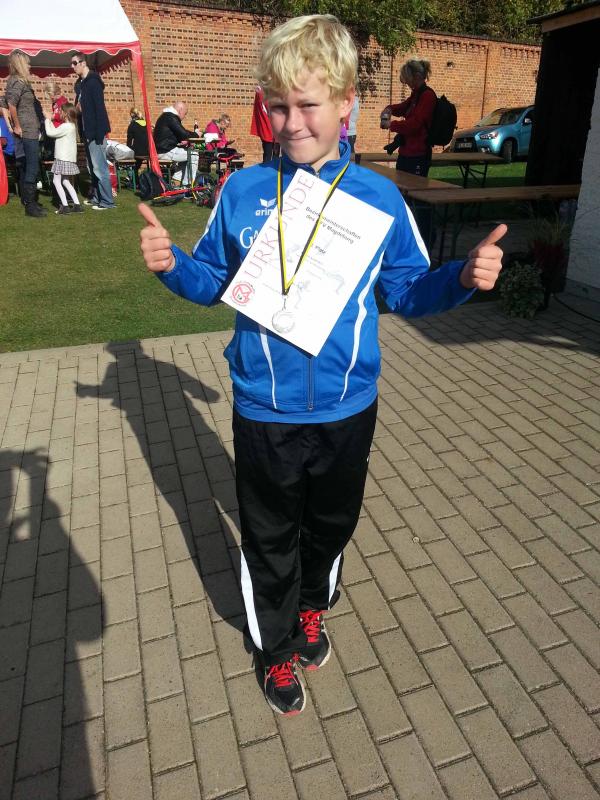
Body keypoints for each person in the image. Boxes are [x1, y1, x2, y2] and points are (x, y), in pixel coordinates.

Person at [139, 14, 506, 717]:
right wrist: (172, 266)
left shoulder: (378, 197)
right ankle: (276, 647)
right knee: (270, 537)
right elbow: (213, 281)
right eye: (278, 106)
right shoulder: (242, 191)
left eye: (308, 105)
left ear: (346, 105)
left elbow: (406, 289)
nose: (292, 122)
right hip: (265, 409)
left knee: (331, 526)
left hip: (347, 407)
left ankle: (313, 605)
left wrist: (461, 278)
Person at [5, 50, 47, 217]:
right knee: (32, 166)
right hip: (26, 130)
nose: (30, 66)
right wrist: (16, 126)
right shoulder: (17, 82)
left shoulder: (20, 81)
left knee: (30, 165)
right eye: (27, 63)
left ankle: (31, 202)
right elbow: (11, 104)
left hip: (30, 128)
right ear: (21, 64)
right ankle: (30, 205)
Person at [72, 51, 115, 210]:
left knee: (100, 167)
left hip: (95, 132)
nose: (72, 66)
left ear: (83, 63)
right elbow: (81, 108)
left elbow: (99, 109)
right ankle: (97, 198)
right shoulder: (81, 84)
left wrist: (98, 133)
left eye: (75, 63)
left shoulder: (93, 82)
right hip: (87, 132)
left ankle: (107, 201)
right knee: (92, 168)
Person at [380, 59, 436, 176]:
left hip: (418, 155)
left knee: (413, 187)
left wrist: (391, 124)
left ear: (417, 76)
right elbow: (403, 107)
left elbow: (414, 125)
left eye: (408, 80)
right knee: (400, 185)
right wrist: (389, 109)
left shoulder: (427, 96)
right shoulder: (416, 94)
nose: (407, 83)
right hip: (406, 152)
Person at [43, 102, 83, 215]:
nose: (59, 113)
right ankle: (77, 205)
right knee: (65, 181)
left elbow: (50, 133)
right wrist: (49, 120)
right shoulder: (70, 126)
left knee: (56, 181)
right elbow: (54, 132)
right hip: (67, 158)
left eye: (60, 111)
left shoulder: (66, 126)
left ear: (65, 114)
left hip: (62, 158)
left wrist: (47, 119)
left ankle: (65, 206)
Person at [153, 100, 198, 186]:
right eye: (185, 113)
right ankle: (188, 185)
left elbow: (180, 133)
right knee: (194, 154)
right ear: (180, 110)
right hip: (165, 151)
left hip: (161, 150)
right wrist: (196, 134)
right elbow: (184, 134)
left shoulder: (166, 116)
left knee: (186, 155)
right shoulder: (171, 117)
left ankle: (176, 181)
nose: (184, 116)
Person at [250, 86, 279, 163]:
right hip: (268, 130)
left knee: (273, 156)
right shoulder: (262, 93)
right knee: (269, 156)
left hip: (274, 131)